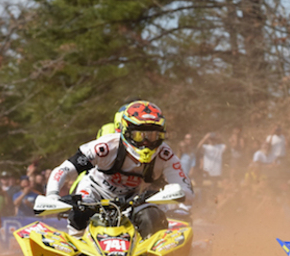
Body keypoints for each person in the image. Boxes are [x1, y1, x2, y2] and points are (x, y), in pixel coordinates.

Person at [46, 100, 193, 237]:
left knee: (151, 217)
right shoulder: (105, 147)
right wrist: (52, 195)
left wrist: (175, 193)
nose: (146, 142)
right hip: (95, 193)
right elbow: (64, 170)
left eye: (153, 135)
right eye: (140, 136)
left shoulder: (165, 155)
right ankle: (76, 248)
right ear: (126, 132)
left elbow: (186, 190)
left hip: (136, 199)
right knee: (80, 214)